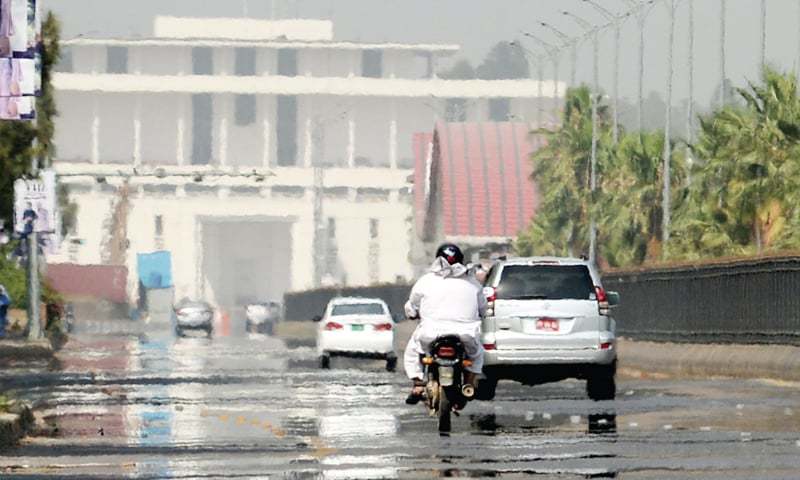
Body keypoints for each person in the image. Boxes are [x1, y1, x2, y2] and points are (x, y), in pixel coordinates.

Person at [403, 243, 487, 404]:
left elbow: (411, 307)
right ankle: (469, 384)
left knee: (413, 351)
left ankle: (418, 385)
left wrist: (412, 314)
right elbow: (483, 308)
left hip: (430, 333)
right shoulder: (473, 283)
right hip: (466, 334)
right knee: (477, 355)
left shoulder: (425, 281)